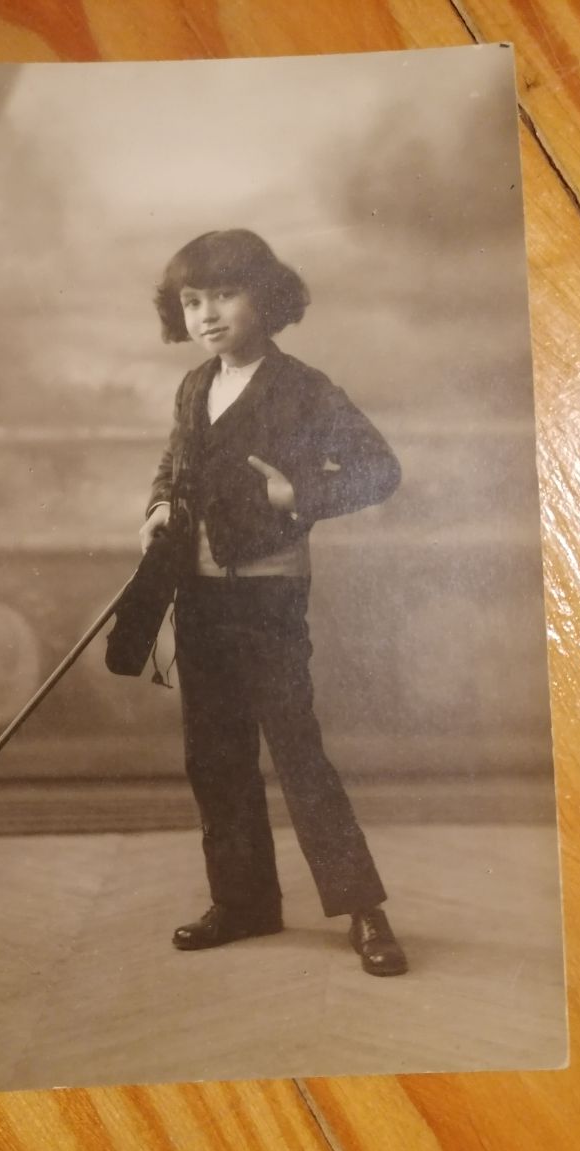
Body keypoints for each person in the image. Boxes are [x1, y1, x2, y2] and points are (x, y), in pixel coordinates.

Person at [140, 229, 407, 976]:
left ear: (269, 296)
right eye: (193, 301)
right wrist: (161, 503)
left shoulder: (305, 388)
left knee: (297, 753)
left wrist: (303, 493)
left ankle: (364, 912)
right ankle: (245, 902)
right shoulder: (195, 385)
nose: (208, 315)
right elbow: (175, 461)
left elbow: (380, 471)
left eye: (226, 294)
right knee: (214, 755)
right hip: (195, 594)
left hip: (269, 593)